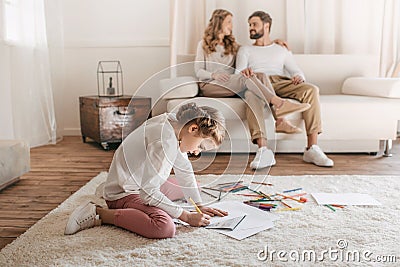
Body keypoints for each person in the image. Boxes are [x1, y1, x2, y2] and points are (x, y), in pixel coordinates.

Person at [64, 102, 228, 238]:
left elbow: (184, 168)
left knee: (194, 188)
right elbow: (148, 193)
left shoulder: (173, 123)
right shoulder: (164, 141)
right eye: (201, 146)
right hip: (125, 191)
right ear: (193, 129)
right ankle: (99, 212)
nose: (197, 151)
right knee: (164, 227)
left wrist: (198, 205)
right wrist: (186, 216)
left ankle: (108, 187)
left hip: (138, 181)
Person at [195, 9, 310, 170]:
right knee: (249, 76)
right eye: (229, 22)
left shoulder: (234, 46)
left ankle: (277, 118)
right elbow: (198, 71)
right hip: (210, 85)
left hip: (231, 84)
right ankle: (279, 107)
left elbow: (260, 48)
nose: (232, 26)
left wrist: (276, 42)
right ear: (218, 23)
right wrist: (213, 74)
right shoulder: (204, 44)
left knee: (259, 75)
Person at [236, 11, 334, 167]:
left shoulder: (281, 49)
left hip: (280, 81)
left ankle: (312, 148)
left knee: (311, 89)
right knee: (250, 96)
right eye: (249, 25)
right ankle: (263, 151)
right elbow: (238, 73)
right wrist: (245, 73)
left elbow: (296, 70)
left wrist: (299, 77)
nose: (251, 28)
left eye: (254, 24)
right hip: (258, 83)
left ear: (266, 26)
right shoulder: (245, 50)